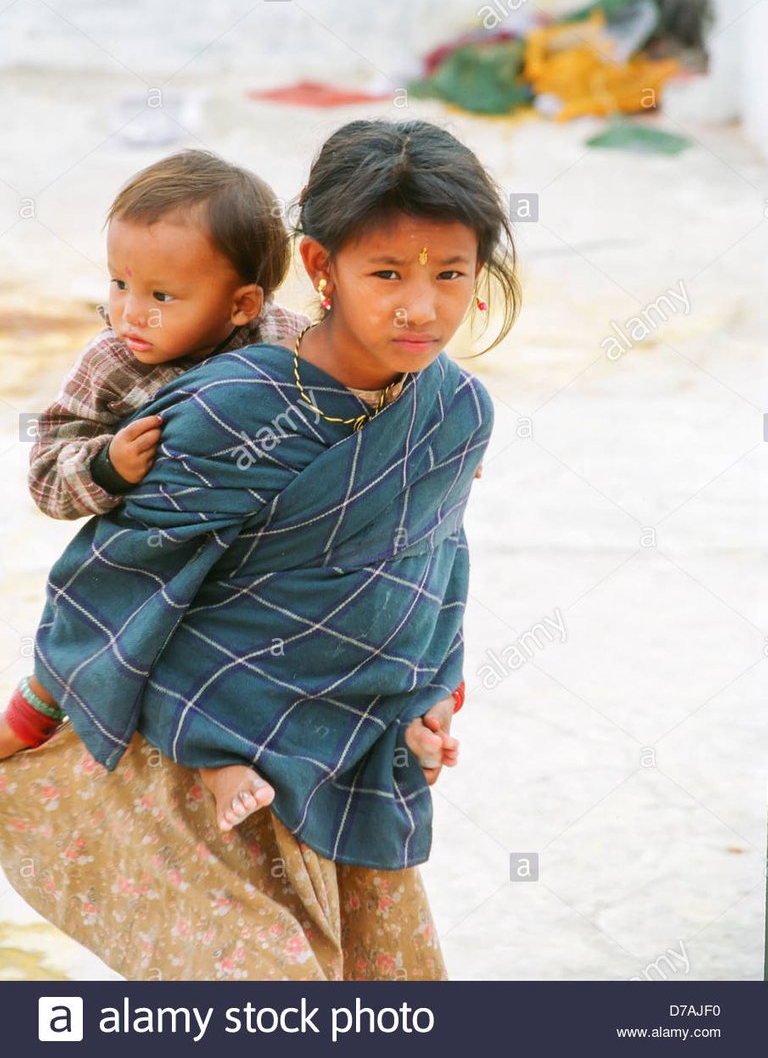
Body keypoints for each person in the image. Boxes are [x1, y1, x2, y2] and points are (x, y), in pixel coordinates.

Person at [0, 118, 521, 979]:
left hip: (346, 763)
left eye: (452, 274)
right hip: (194, 769)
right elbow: (116, 582)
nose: (422, 306)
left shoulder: (457, 412)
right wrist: (35, 711)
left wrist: (436, 695)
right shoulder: (227, 409)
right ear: (320, 268)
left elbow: (435, 567)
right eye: (386, 273)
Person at [0, 148, 311, 828]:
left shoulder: (289, 347)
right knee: (103, 631)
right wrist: (106, 466)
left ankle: (226, 762)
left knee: (241, 649)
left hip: (249, 557)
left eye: (161, 296)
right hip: (146, 559)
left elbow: (351, 407)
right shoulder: (111, 362)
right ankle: (35, 710)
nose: (129, 313)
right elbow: (47, 479)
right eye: (118, 283)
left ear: (243, 304)